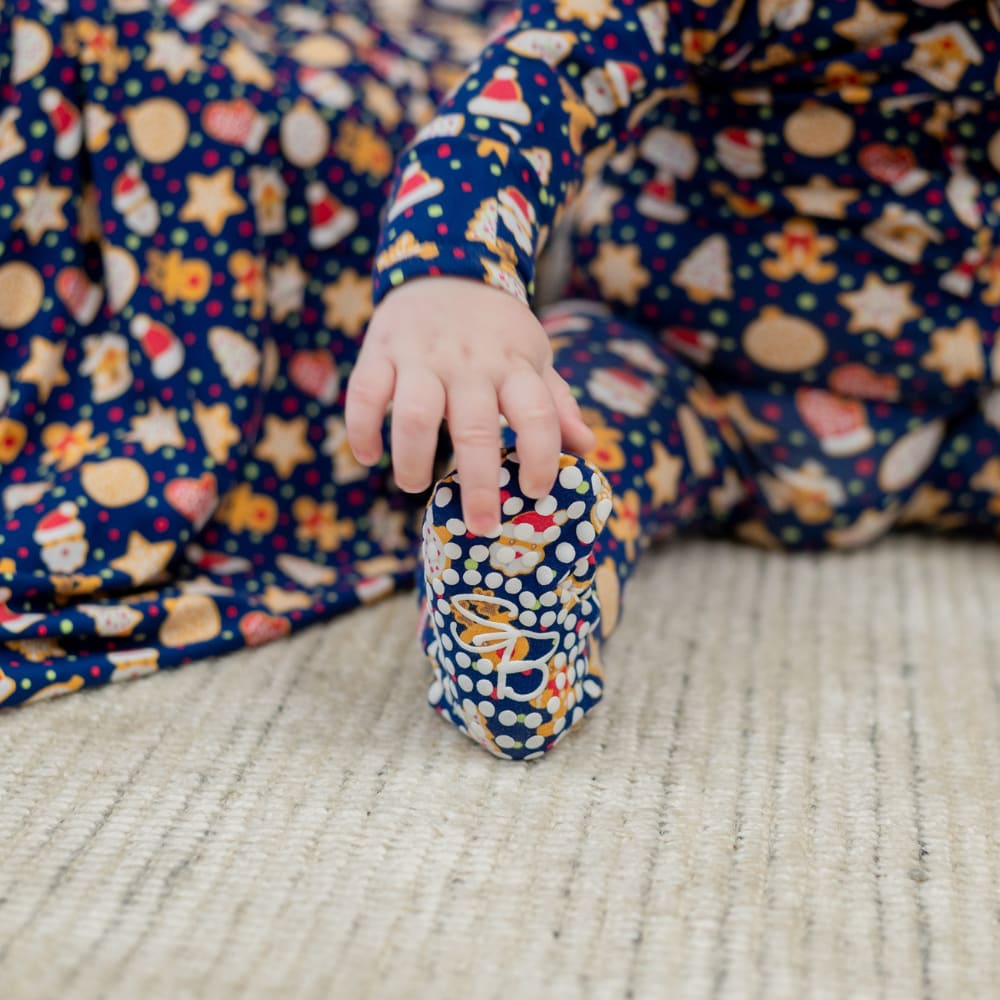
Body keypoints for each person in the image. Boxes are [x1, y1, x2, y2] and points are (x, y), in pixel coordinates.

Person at [346, 0, 1000, 758]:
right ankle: (519, 623)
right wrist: (454, 267)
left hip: (947, 405)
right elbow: (550, 65)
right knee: (547, 446)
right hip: (672, 363)